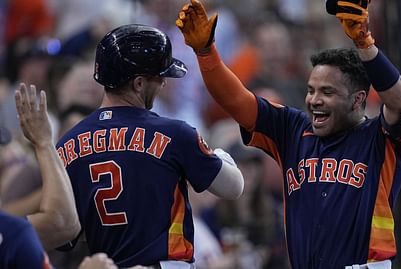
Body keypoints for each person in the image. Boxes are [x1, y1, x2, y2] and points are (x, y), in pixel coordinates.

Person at [176, 0, 401, 268]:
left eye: (327, 92)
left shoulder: (382, 139)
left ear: (358, 99)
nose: (314, 99)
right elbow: (235, 100)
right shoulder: (292, 129)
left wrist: (365, 44)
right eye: (310, 90)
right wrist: (206, 53)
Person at [55, 24, 244, 268]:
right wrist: (221, 154)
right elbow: (234, 187)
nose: (164, 83)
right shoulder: (175, 133)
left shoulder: (66, 144)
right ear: (139, 83)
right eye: (159, 76)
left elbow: (65, 236)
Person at [0, 83, 118, 269]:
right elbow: (59, 224)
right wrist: (45, 146)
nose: (83, 147)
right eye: (75, 138)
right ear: (60, 135)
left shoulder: (110, 177)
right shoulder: (33, 172)